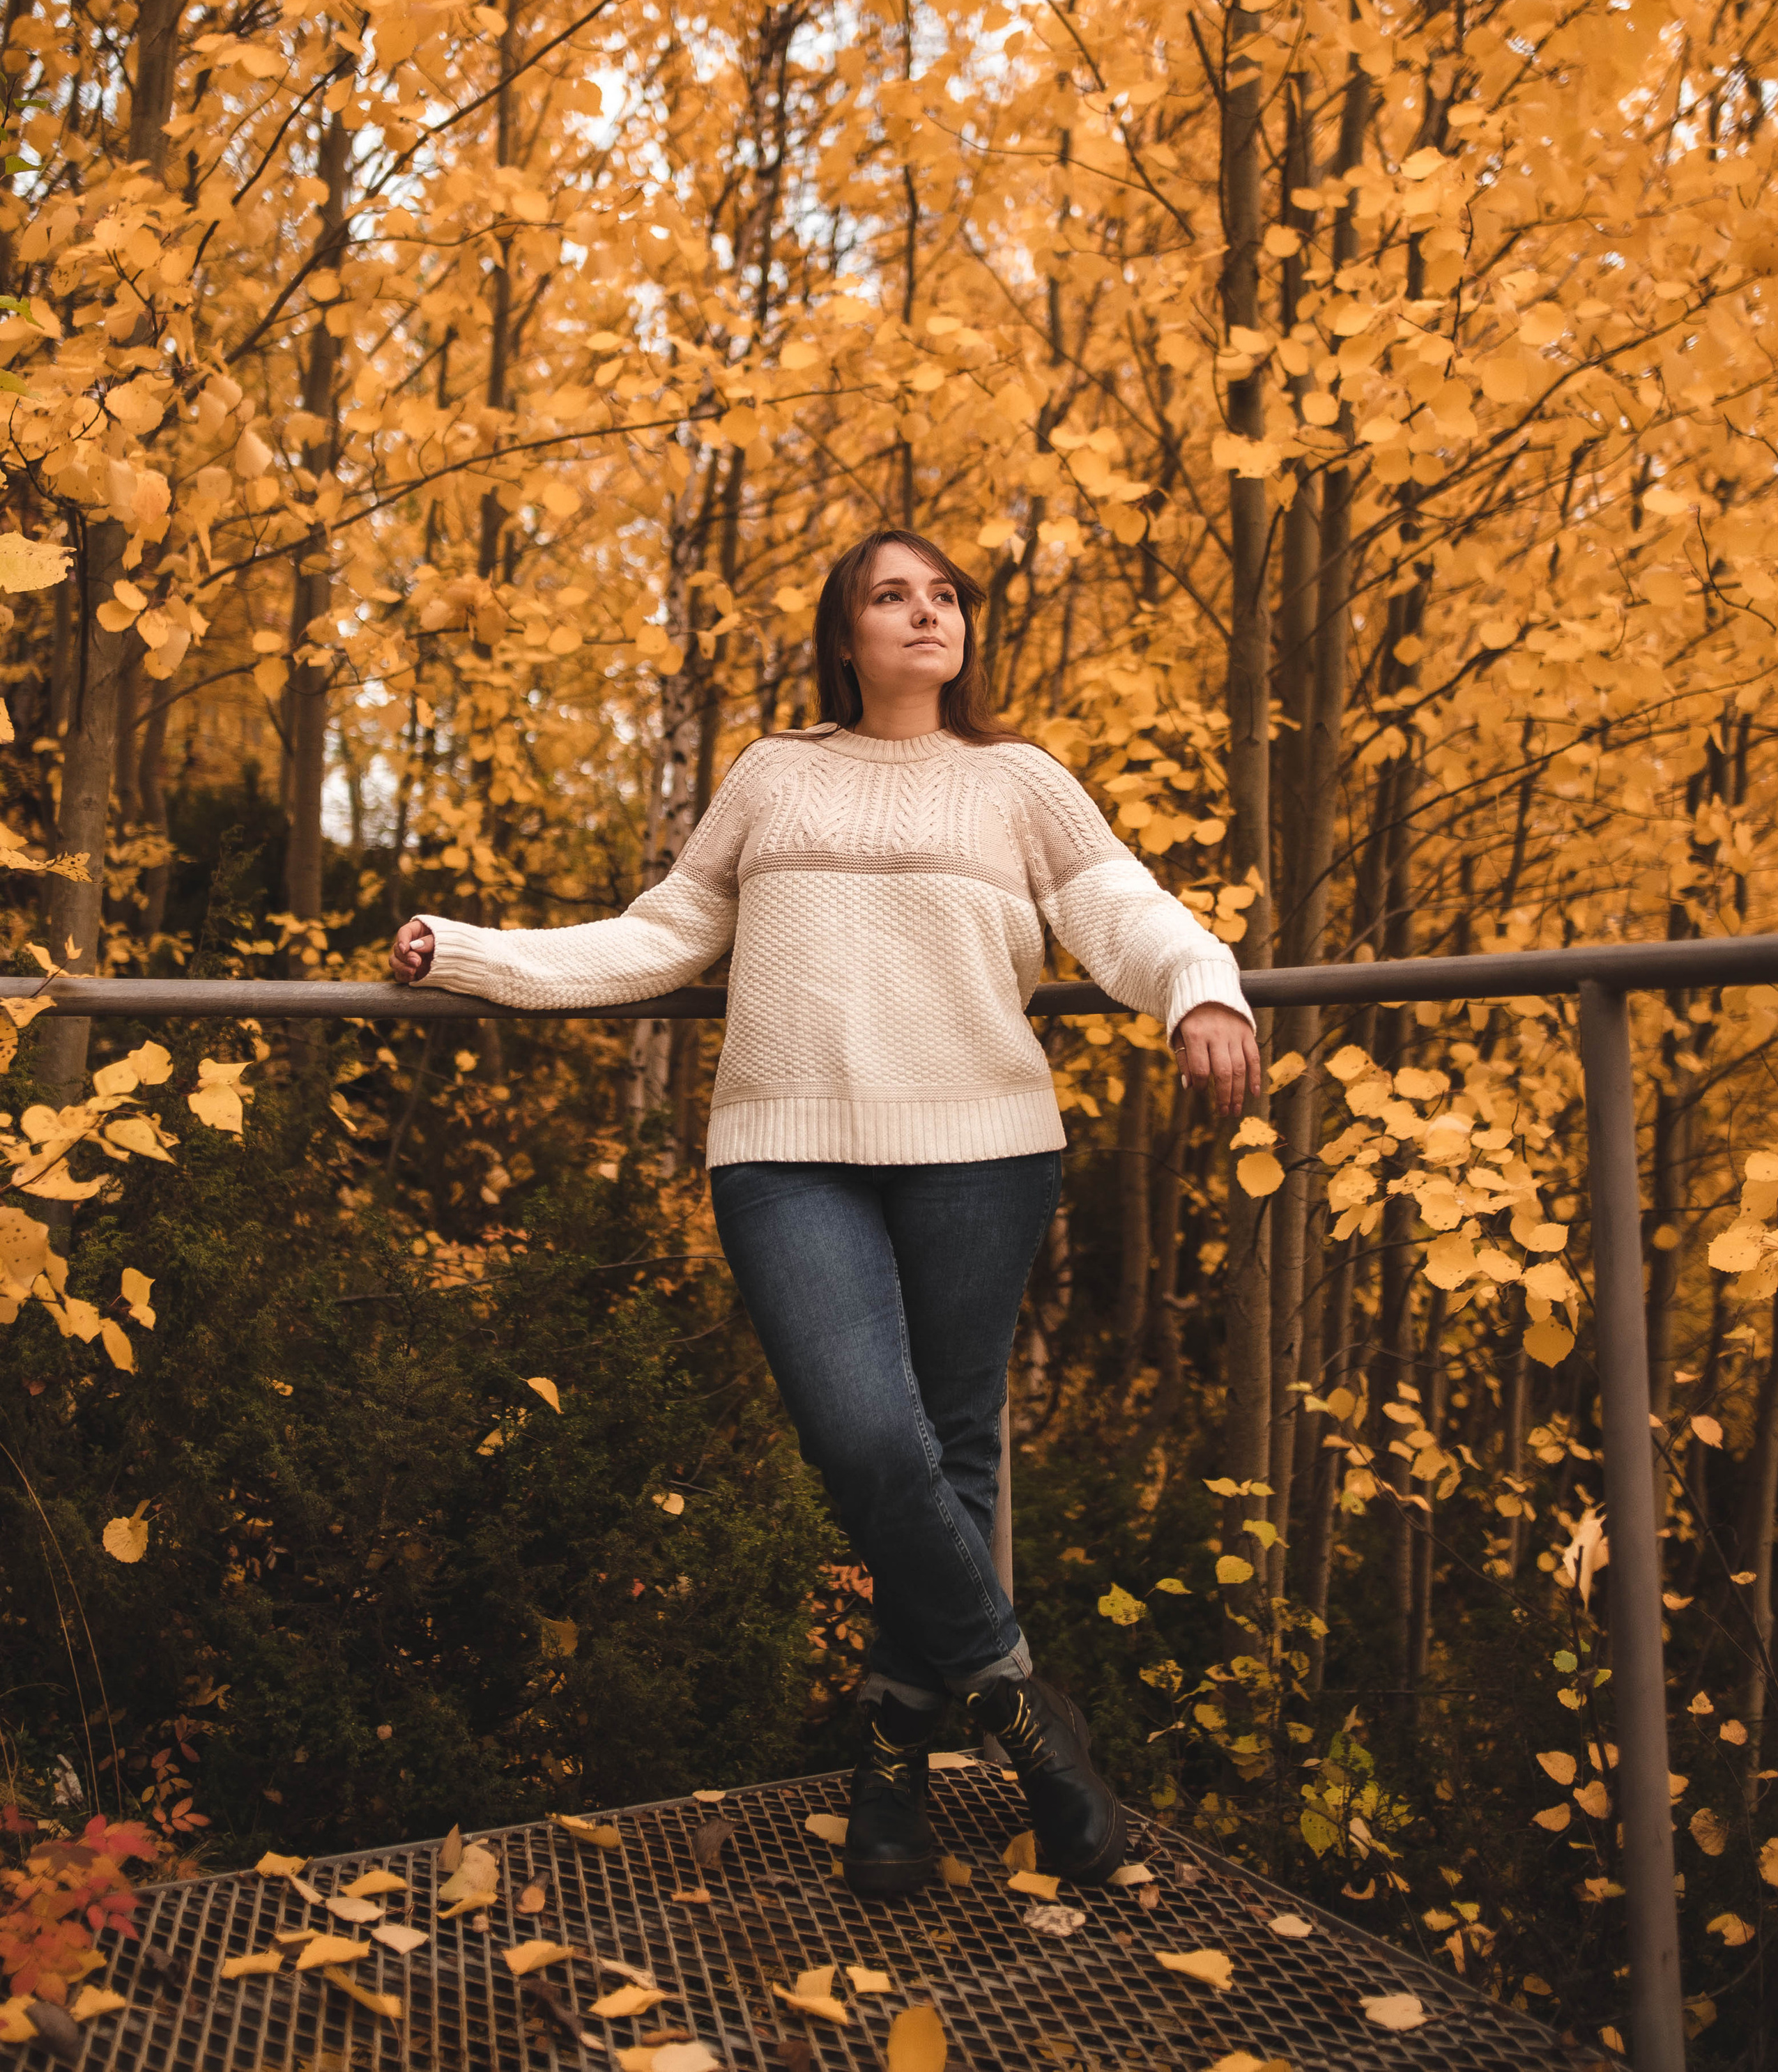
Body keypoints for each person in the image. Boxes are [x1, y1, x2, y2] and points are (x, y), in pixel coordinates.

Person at [391, 526, 1259, 1899]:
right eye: (890, 595)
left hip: (982, 1150)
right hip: (790, 1159)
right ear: (842, 633)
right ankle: (1028, 1722)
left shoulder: (1016, 781)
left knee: (951, 1457)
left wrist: (1200, 986)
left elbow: (1123, 910)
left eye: (945, 596)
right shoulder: (772, 773)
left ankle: (891, 1772)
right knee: (864, 1435)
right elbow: (657, 937)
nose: (925, 614)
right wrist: (471, 954)